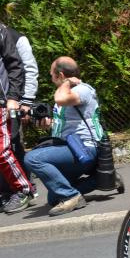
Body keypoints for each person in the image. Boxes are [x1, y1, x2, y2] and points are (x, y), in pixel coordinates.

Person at [23, 57, 105, 215]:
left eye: (52, 75)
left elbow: (60, 99)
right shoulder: (71, 91)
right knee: (54, 198)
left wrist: (66, 83)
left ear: (60, 75)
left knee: (32, 158)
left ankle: (72, 196)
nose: (51, 79)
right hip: (75, 148)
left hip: (84, 149)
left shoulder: (81, 90)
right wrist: (50, 124)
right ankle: (102, 179)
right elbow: (72, 123)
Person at [0, 23, 38, 204]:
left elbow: (27, 69)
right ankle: (6, 192)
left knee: (12, 144)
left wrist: (25, 101)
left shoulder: (15, 36)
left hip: (11, 101)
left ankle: (25, 188)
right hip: (9, 100)